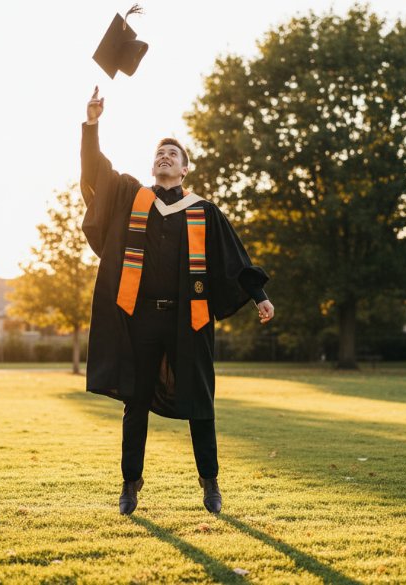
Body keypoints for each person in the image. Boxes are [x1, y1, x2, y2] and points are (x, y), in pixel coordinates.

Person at [80, 86, 275, 515]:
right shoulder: (133, 196)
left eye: (173, 153)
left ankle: (210, 484)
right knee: (136, 403)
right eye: (160, 152)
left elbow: (233, 258)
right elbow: (97, 171)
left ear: (185, 169)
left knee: (200, 403)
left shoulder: (204, 211)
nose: (164, 156)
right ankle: (130, 485)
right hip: (141, 319)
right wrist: (92, 125)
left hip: (191, 320)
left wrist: (258, 296)